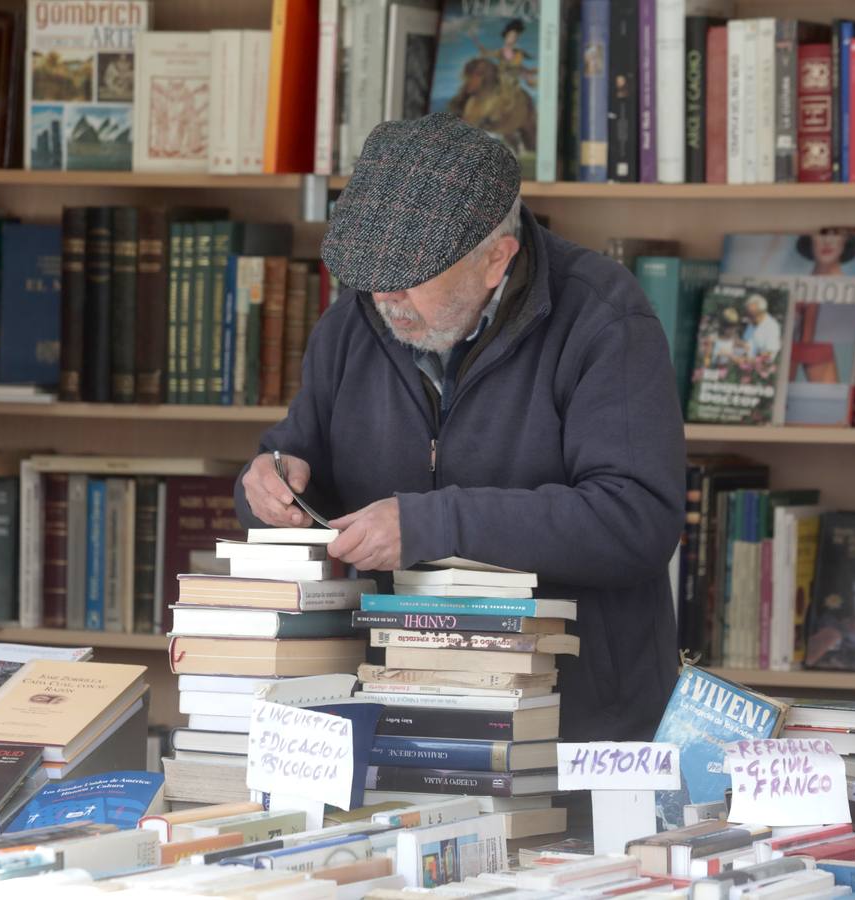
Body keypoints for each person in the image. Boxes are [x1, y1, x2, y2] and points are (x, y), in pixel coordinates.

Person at [235, 113, 686, 741]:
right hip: (391, 708)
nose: (384, 298)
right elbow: (293, 457)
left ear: (497, 259)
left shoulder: (605, 319)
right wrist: (267, 487)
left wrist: (434, 525)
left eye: (409, 277)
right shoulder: (353, 322)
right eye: (370, 275)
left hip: (566, 723)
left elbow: (637, 520)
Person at [742, 292, 782, 360]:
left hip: (759, 367)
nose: (748, 317)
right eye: (747, 314)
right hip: (746, 363)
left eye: (751, 315)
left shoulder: (772, 326)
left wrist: (750, 360)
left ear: (761, 312)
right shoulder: (751, 323)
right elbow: (746, 343)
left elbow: (769, 354)